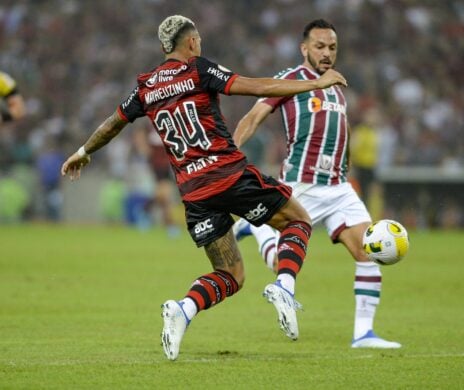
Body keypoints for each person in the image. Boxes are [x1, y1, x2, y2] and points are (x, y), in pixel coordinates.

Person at [61, 15, 347, 361]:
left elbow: (112, 124)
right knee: (297, 221)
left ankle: (182, 310)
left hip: (194, 193)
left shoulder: (146, 86)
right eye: (199, 41)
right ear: (192, 43)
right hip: (228, 176)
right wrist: (315, 84)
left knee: (231, 274)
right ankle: (285, 286)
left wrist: (82, 152)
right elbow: (258, 88)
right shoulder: (199, 70)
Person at [233, 19, 401, 349]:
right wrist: (229, 157)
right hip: (302, 185)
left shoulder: (337, 86)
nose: (326, 53)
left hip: (339, 188)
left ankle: (363, 334)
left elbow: (342, 129)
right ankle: (257, 227)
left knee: (368, 252)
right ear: (304, 48)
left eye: (332, 47)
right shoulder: (289, 80)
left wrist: (347, 162)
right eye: (320, 47)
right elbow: (253, 117)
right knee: (277, 262)